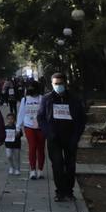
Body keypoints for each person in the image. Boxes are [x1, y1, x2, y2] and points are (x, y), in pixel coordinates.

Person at [37, 71, 87, 203]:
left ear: (65, 83)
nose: (58, 86)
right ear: (52, 84)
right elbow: (41, 118)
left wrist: (76, 136)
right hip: (54, 139)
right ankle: (60, 192)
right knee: (57, 165)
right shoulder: (47, 99)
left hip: (70, 138)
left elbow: (81, 120)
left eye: (60, 83)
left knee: (70, 165)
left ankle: (69, 192)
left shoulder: (75, 99)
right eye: (55, 84)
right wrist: (48, 133)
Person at [18, 80, 45, 179]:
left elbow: (46, 113)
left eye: (33, 87)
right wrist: (18, 126)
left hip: (41, 127)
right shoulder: (24, 100)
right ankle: (32, 170)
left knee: (41, 148)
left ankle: (40, 170)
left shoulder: (43, 99)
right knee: (32, 147)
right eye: (29, 87)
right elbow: (21, 113)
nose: (31, 89)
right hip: (28, 126)